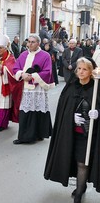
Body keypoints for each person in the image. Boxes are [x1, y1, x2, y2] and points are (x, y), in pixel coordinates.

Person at [44, 57, 100, 203]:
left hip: (88, 135)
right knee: (74, 160)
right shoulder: (71, 87)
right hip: (70, 132)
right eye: (79, 69)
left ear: (90, 71)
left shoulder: (96, 88)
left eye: (85, 69)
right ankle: (81, 184)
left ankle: (80, 191)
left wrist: (97, 113)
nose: (81, 72)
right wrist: (71, 116)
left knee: (83, 162)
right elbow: (64, 107)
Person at [12, 34, 54, 144]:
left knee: (38, 110)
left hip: (38, 88)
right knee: (26, 111)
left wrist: (33, 77)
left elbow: (47, 71)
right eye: (28, 42)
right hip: (25, 89)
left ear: (38, 43)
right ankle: (24, 137)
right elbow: (15, 68)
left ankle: (39, 134)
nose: (29, 44)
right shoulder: (23, 55)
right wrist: (22, 74)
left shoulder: (45, 55)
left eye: (32, 42)